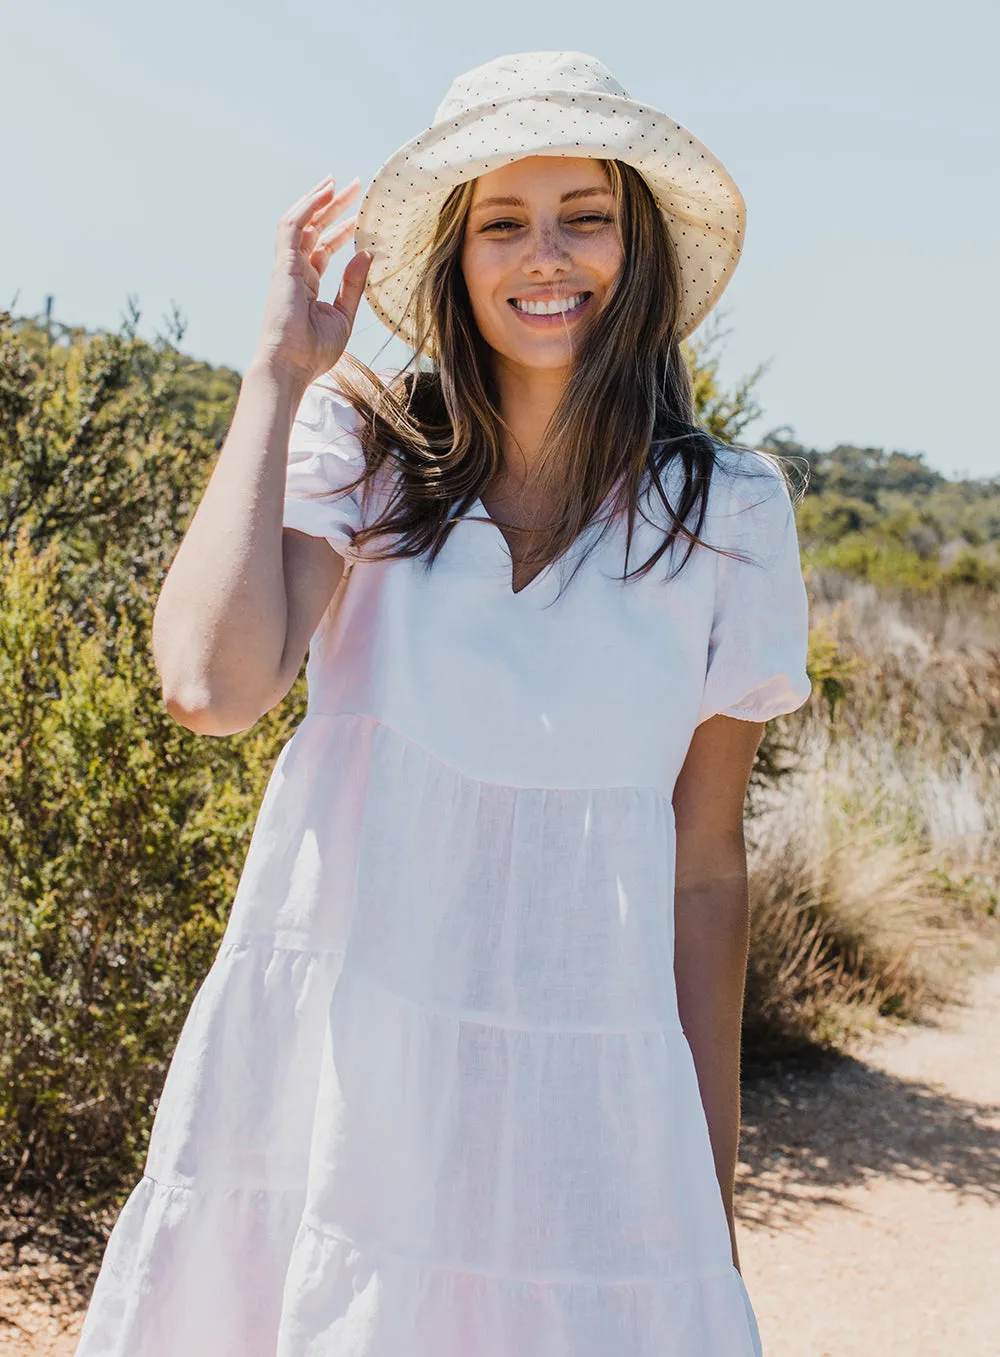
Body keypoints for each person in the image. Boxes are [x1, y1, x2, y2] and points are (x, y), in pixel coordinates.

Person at [75, 50, 811, 1357]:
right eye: (504, 223)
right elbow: (210, 685)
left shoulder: (730, 513)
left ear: (635, 244)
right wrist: (277, 372)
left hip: (591, 1112)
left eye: (585, 215)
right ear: (456, 258)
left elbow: (705, 872)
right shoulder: (365, 452)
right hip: (346, 1092)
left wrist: (709, 1190)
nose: (548, 258)